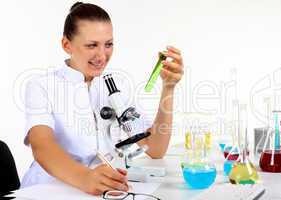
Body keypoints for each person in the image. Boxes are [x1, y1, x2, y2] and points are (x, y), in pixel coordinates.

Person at [22, 2, 184, 195]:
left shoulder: (116, 86)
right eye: (92, 45)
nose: (102, 55)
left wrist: (168, 88)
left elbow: (155, 148)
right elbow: (42, 147)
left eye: (108, 44)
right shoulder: (41, 86)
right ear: (67, 45)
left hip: (102, 188)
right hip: (48, 189)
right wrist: (85, 177)